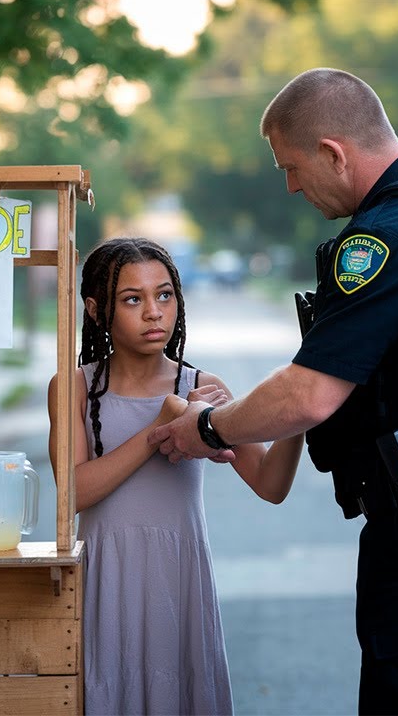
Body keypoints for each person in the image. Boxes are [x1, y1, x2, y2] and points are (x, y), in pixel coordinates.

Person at [149, 68, 398, 715]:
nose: (292, 186)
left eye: (291, 167)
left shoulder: (392, 235)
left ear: (333, 152)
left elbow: (309, 393)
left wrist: (205, 429)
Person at [46, 237, 304, 715]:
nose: (154, 313)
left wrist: (300, 416)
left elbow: (271, 484)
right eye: (132, 299)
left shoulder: (203, 390)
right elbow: (73, 494)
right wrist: (157, 430)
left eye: (164, 295)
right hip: (106, 585)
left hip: (178, 586)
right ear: (96, 310)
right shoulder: (74, 388)